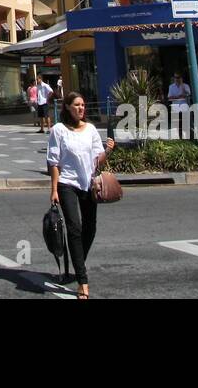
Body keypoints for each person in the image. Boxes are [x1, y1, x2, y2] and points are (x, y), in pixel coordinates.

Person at [46, 91, 114, 299]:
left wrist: (108, 151)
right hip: (67, 184)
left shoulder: (91, 129)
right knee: (74, 228)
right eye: (76, 105)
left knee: (90, 227)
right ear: (67, 107)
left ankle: (78, 262)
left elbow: (97, 159)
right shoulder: (58, 130)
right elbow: (53, 162)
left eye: (83, 105)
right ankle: (83, 281)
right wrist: (54, 189)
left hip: (88, 184)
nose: (81, 108)